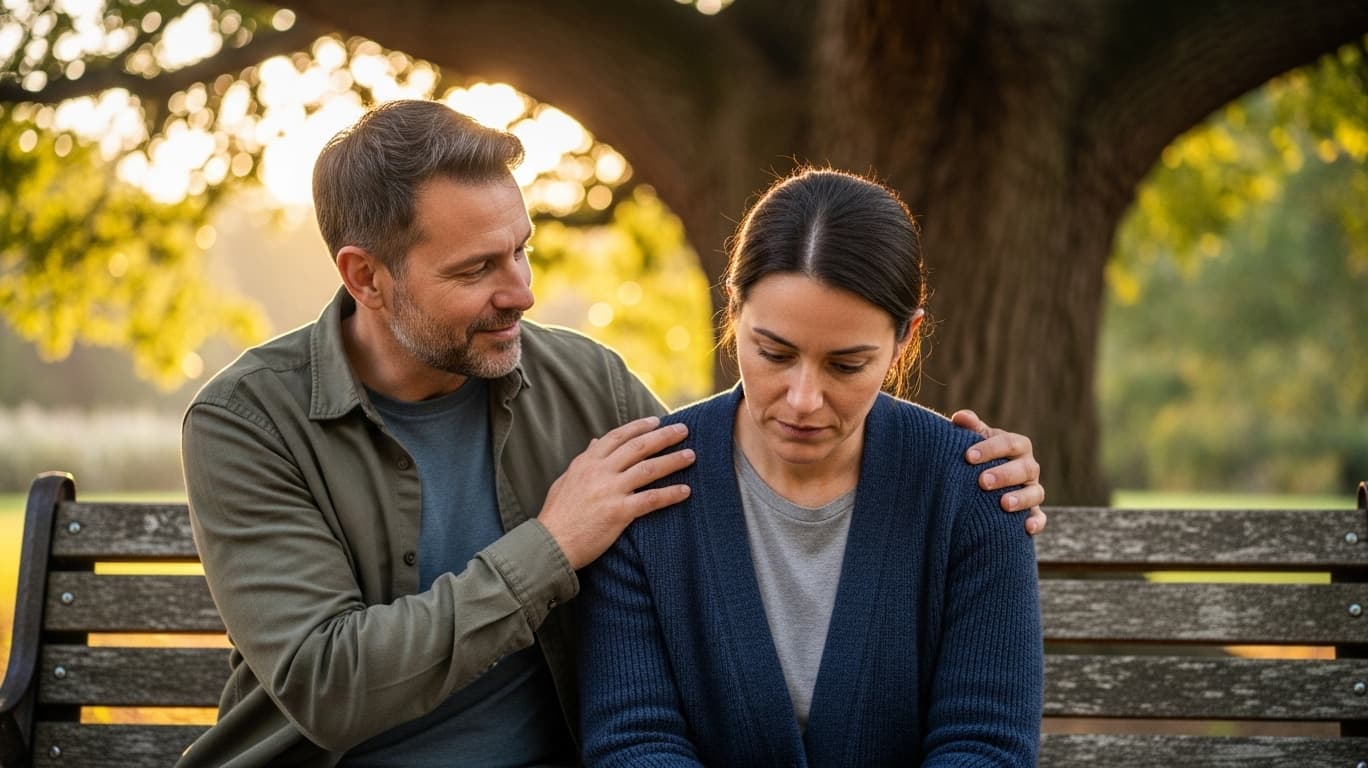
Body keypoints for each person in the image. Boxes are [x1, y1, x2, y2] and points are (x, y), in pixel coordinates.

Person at [177, 100, 1045, 766]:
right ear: (366, 276)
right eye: (478, 269)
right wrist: (551, 546)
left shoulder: (585, 386)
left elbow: (741, 461)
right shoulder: (248, 425)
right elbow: (328, 687)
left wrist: (987, 476)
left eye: (520, 249)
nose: (519, 291)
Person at [577, 168, 1044, 766]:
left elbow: (986, 745)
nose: (802, 399)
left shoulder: (977, 493)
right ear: (733, 309)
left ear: (905, 339)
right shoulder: (645, 489)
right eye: (774, 353)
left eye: (846, 365)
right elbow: (634, 741)